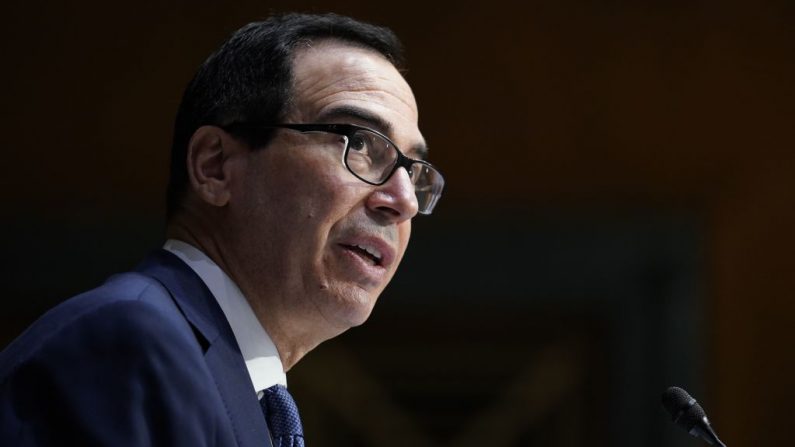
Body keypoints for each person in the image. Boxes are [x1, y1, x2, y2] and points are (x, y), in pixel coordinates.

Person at [0, 12, 444, 447]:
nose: (403, 201)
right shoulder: (128, 343)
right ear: (215, 166)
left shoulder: (243, 390)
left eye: (414, 170)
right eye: (361, 142)